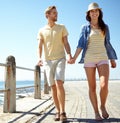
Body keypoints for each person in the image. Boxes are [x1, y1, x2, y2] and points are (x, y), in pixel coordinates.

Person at [69, 2, 117, 121]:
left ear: (99, 13)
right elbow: (80, 44)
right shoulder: (84, 28)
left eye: (96, 11)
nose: (94, 13)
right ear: (89, 14)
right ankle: (96, 112)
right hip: (89, 58)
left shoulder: (105, 27)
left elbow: (108, 43)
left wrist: (112, 59)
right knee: (92, 87)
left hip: (103, 57)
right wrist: (74, 58)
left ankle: (102, 106)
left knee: (104, 85)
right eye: (92, 11)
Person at [37, 6, 72, 121]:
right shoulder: (42, 30)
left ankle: (63, 112)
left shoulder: (62, 27)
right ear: (47, 15)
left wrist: (69, 55)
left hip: (60, 59)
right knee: (52, 86)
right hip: (48, 61)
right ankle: (57, 111)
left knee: (59, 83)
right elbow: (40, 45)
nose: (56, 15)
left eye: (56, 13)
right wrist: (39, 58)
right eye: (54, 13)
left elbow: (66, 42)